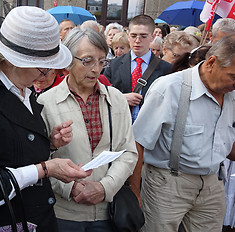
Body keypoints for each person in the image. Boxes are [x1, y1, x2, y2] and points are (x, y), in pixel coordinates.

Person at [0, 6, 92, 231]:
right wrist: (45, 168)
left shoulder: (27, 92)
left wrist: (48, 143)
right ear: (14, 60)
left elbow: (9, 148)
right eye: (43, 68)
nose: (46, 74)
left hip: (32, 218)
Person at [132, 34, 235, 232]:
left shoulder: (231, 95)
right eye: (233, 76)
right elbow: (138, 142)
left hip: (212, 183)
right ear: (211, 62)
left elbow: (226, 144)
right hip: (168, 183)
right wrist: (135, 193)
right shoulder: (170, 87)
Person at [38, 28, 138, 232]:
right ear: (68, 61)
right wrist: (70, 188)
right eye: (87, 61)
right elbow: (37, 159)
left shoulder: (116, 99)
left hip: (108, 213)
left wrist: (104, 188)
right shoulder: (45, 102)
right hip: (63, 213)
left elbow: (128, 152)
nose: (96, 69)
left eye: (102, 61)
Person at [103, 14, 172, 123]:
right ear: (128, 35)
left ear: (153, 37)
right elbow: (102, 95)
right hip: (119, 126)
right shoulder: (113, 65)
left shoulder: (165, 68)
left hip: (150, 128)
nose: (138, 40)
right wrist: (122, 98)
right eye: (134, 36)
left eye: (143, 36)